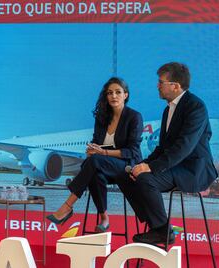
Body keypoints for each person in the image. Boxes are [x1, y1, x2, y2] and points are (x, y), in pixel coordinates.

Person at [116, 62, 217, 245]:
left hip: (193, 170)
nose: (157, 85)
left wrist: (150, 167)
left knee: (146, 179)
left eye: (161, 82)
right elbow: (163, 147)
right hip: (174, 167)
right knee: (126, 176)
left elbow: (183, 147)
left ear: (176, 86)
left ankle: (161, 231)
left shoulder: (196, 107)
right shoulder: (167, 110)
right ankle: (160, 228)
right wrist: (142, 164)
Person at [47, 77, 143, 232]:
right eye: (109, 93)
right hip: (104, 165)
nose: (113, 96)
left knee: (94, 162)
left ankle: (67, 206)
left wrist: (102, 152)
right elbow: (96, 141)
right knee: (94, 171)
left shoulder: (134, 117)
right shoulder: (102, 117)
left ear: (125, 95)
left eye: (118, 92)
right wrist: (92, 149)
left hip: (127, 166)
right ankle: (104, 218)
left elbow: (131, 151)